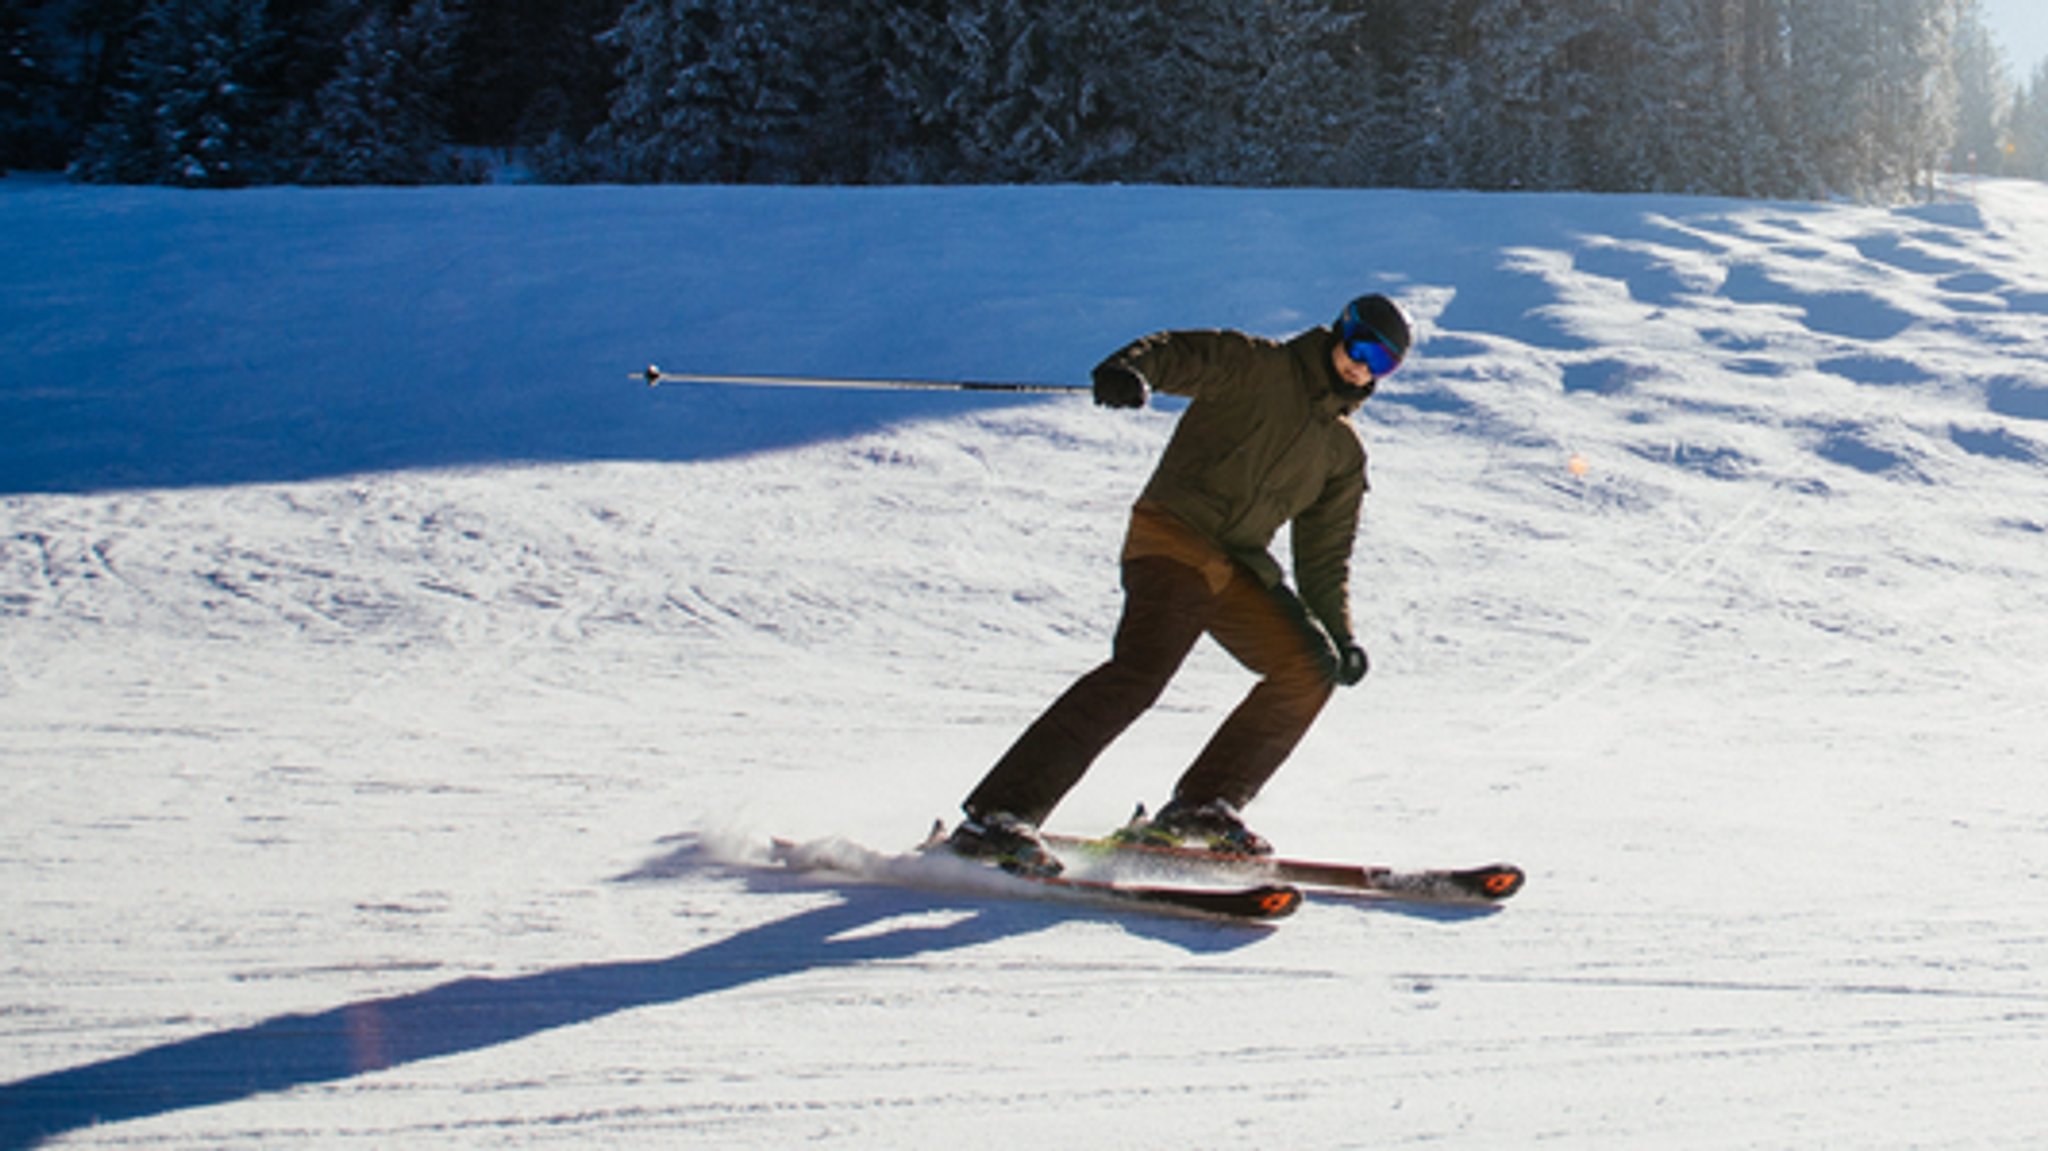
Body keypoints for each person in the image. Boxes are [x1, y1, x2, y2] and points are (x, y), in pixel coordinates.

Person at [946, 294, 1413, 875]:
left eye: (1383, 364)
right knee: (1142, 670)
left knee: (1308, 666)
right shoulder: (1258, 366)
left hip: (1237, 564)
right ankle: (997, 813)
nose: (1362, 368)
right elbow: (1179, 352)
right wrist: (1131, 369)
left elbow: (1324, 556)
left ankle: (1202, 805)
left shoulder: (1342, 451)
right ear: (1339, 332)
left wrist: (1341, 636)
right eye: (1361, 347)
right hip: (1174, 535)